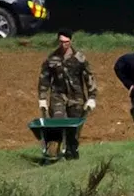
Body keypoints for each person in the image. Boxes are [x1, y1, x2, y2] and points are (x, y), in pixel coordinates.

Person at [37, 30, 98, 161]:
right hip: (58, 95)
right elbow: (44, 78)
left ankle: (71, 150)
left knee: (73, 127)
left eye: (66, 42)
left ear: (70, 42)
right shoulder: (52, 58)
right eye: (61, 42)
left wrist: (92, 97)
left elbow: (89, 77)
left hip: (76, 97)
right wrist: (42, 98)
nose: (63, 44)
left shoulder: (79, 58)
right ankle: (53, 153)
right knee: (57, 122)